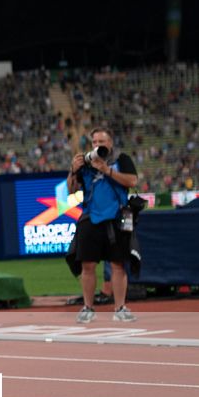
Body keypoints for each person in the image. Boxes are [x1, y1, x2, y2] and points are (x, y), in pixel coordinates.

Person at [68, 126, 139, 324]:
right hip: (91, 217)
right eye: (95, 142)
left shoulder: (121, 159)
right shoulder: (85, 163)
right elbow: (71, 191)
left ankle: (120, 308)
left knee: (118, 264)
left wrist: (106, 170)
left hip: (117, 216)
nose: (98, 145)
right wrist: (73, 170)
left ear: (110, 143)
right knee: (87, 265)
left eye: (102, 141)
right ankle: (88, 308)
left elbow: (132, 180)